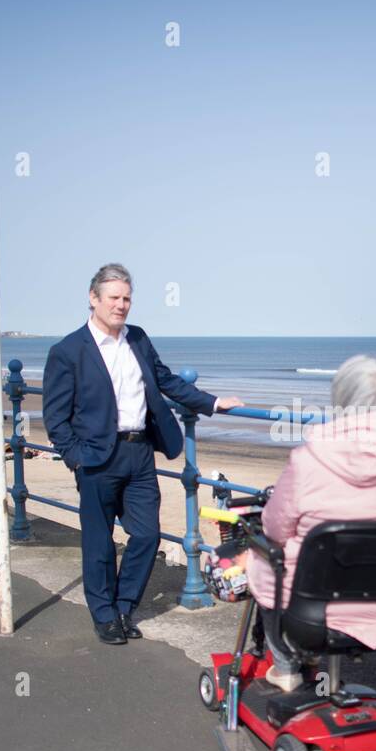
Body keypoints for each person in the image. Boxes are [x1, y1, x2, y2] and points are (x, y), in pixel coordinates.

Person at [43, 263, 243, 645]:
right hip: (96, 459)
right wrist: (75, 457)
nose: (121, 306)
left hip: (139, 453)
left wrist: (213, 403)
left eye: (127, 299)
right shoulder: (68, 351)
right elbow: (55, 417)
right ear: (93, 299)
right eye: (114, 298)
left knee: (147, 535)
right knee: (99, 543)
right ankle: (103, 615)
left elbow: (166, 380)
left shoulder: (137, 338)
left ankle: (123, 607)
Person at [243, 354, 376, 691]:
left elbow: (275, 528)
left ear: (341, 400)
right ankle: (318, 667)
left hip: (312, 611)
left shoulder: (310, 459)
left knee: (264, 558)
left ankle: (287, 667)